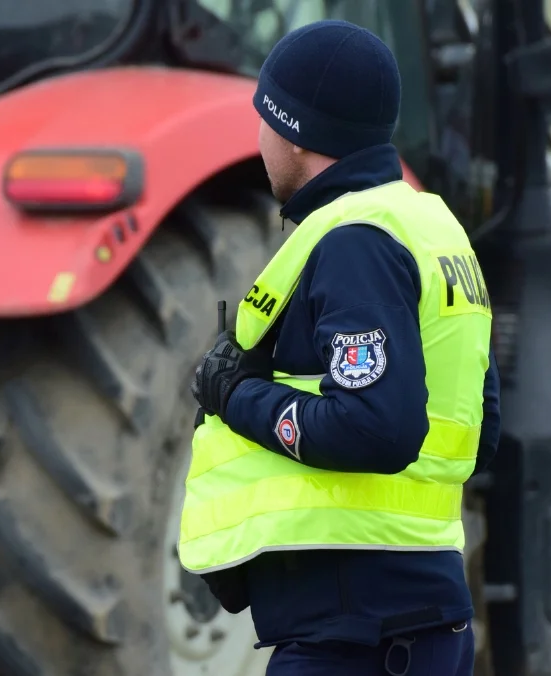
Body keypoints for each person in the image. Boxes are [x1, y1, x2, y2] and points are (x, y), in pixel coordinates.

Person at [181, 19, 501, 676]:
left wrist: (239, 397)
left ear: (293, 132)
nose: (260, 140)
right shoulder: (430, 226)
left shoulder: (353, 240)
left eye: (263, 119)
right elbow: (481, 426)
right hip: (417, 625)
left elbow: (377, 428)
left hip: (355, 639)